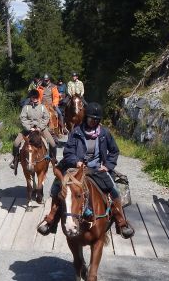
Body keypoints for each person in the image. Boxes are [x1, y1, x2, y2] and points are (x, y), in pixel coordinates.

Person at [37, 102, 135, 238]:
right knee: (56, 188)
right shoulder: (76, 132)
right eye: (90, 119)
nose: (93, 122)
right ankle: (51, 219)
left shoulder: (105, 133)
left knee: (114, 189)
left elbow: (114, 151)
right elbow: (68, 151)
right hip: (75, 168)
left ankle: (121, 222)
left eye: (96, 120)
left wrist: (108, 166)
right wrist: (75, 161)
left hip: (97, 169)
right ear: (85, 118)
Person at [11, 89, 58, 171]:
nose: (35, 99)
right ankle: (16, 159)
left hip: (41, 129)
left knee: (53, 143)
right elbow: (23, 118)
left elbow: (46, 117)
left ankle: (52, 159)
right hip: (28, 129)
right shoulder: (26, 107)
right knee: (16, 143)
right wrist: (29, 128)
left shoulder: (42, 107)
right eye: (33, 97)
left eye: (36, 97)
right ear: (31, 98)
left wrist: (40, 127)